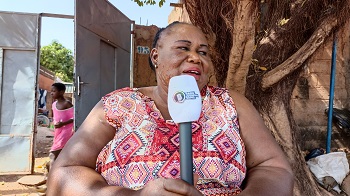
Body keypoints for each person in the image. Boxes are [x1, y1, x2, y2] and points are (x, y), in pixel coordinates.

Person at [47, 22, 294, 195]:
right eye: (183, 48)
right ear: (155, 56)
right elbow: (64, 174)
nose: (196, 57)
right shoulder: (117, 104)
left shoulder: (231, 103)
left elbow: (273, 167)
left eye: (203, 52)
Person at [48, 82, 74, 172]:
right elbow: (55, 117)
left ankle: (50, 178)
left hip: (66, 132)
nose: (51, 93)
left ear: (61, 92)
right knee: (60, 154)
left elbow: (74, 117)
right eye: (51, 91)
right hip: (58, 132)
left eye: (54, 91)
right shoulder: (54, 104)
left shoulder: (67, 104)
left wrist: (63, 124)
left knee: (53, 154)